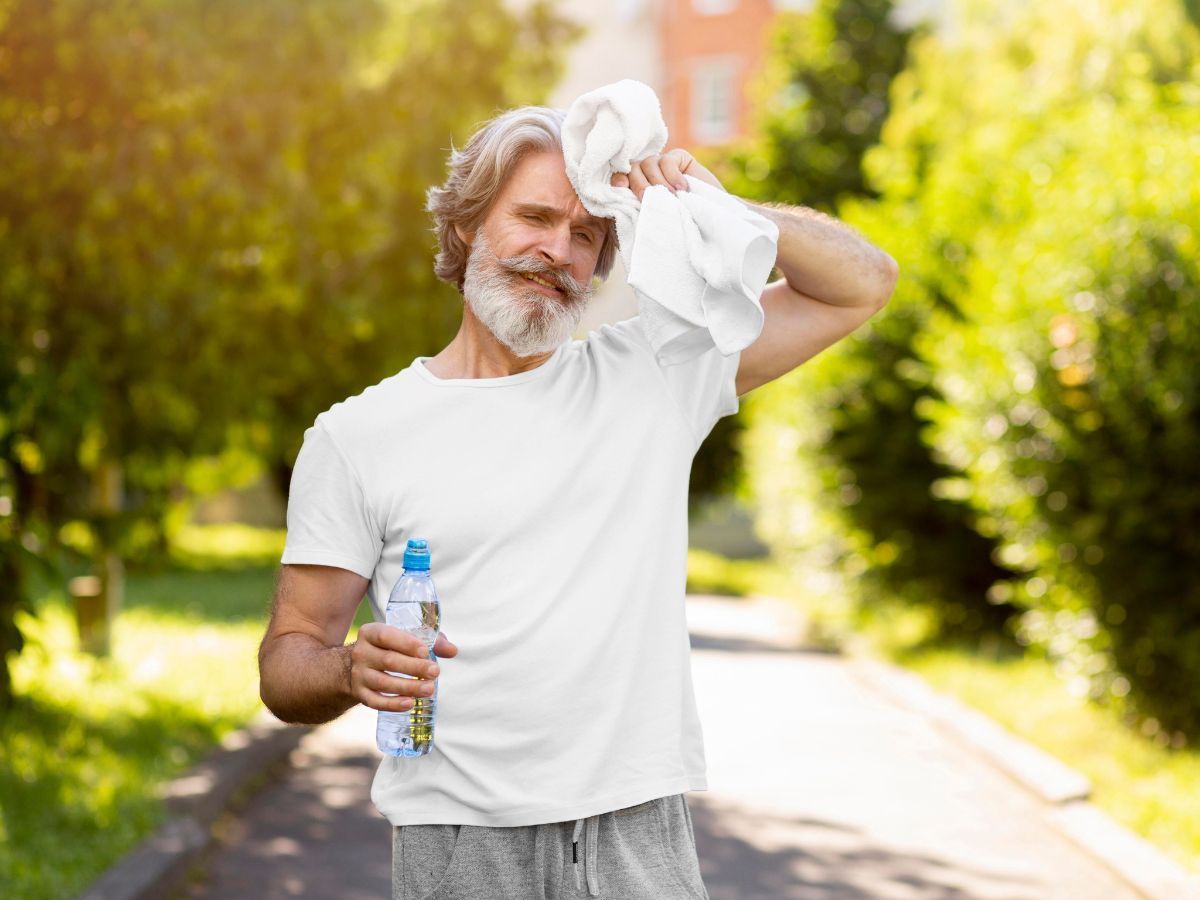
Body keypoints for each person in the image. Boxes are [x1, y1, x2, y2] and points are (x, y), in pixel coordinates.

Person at [257, 105, 898, 900]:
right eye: (532, 216)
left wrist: (718, 210)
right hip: (460, 848)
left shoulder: (655, 373)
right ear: (464, 228)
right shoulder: (357, 437)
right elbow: (287, 661)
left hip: (638, 838)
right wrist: (351, 668)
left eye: (587, 233)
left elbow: (861, 286)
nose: (557, 250)